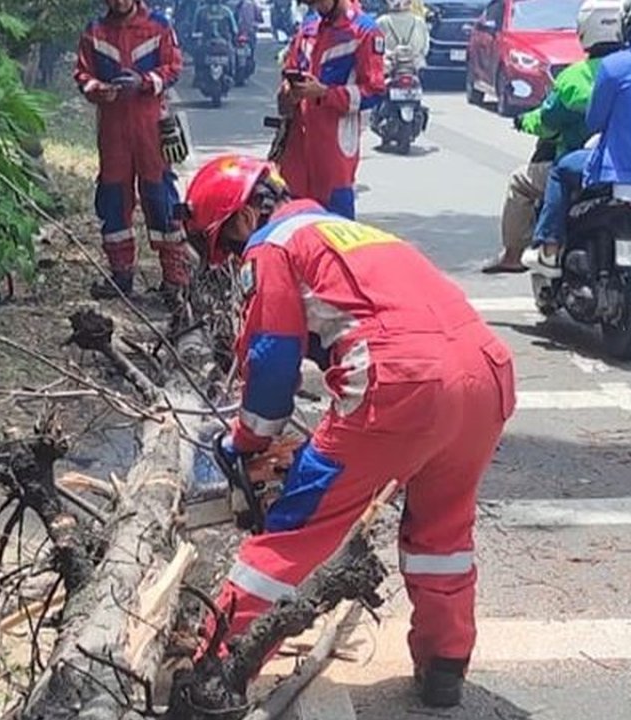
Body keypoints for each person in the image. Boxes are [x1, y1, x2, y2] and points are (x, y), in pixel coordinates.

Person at [180, 155, 516, 708]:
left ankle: (214, 669)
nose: (236, 256)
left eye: (229, 244)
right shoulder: (351, 232)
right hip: (486, 374)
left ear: (241, 218)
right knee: (443, 533)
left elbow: (272, 361)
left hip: (401, 384)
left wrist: (243, 444)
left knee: (293, 531)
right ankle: (444, 663)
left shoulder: (272, 247)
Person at [523, 0, 631, 274]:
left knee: (560, 171)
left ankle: (550, 247)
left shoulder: (614, 66)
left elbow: (595, 120)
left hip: (615, 167)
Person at [482, 0, 623, 274]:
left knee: (520, 182)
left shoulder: (574, 77)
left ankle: (521, 253)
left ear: (584, 30)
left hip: (586, 166)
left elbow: (547, 121)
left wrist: (523, 121)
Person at [75, 0, 189, 299]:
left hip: (150, 126)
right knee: (112, 199)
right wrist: (98, 89)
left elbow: (174, 67)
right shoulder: (95, 31)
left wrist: (144, 81)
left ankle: (174, 277)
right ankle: (121, 274)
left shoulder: (159, 26)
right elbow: (82, 74)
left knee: (161, 197)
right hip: (113, 130)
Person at [277, 0, 386, 219]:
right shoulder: (308, 27)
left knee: (336, 230)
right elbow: (290, 67)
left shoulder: (365, 32)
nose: (316, 7)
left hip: (334, 153)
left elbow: (374, 92)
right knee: (293, 230)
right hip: (297, 153)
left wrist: (325, 93)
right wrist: (288, 90)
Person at [377, 0, 430, 74]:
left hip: (390, 66)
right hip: (415, 66)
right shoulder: (420, 22)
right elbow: (425, 49)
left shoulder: (381, 22)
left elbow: (376, 48)